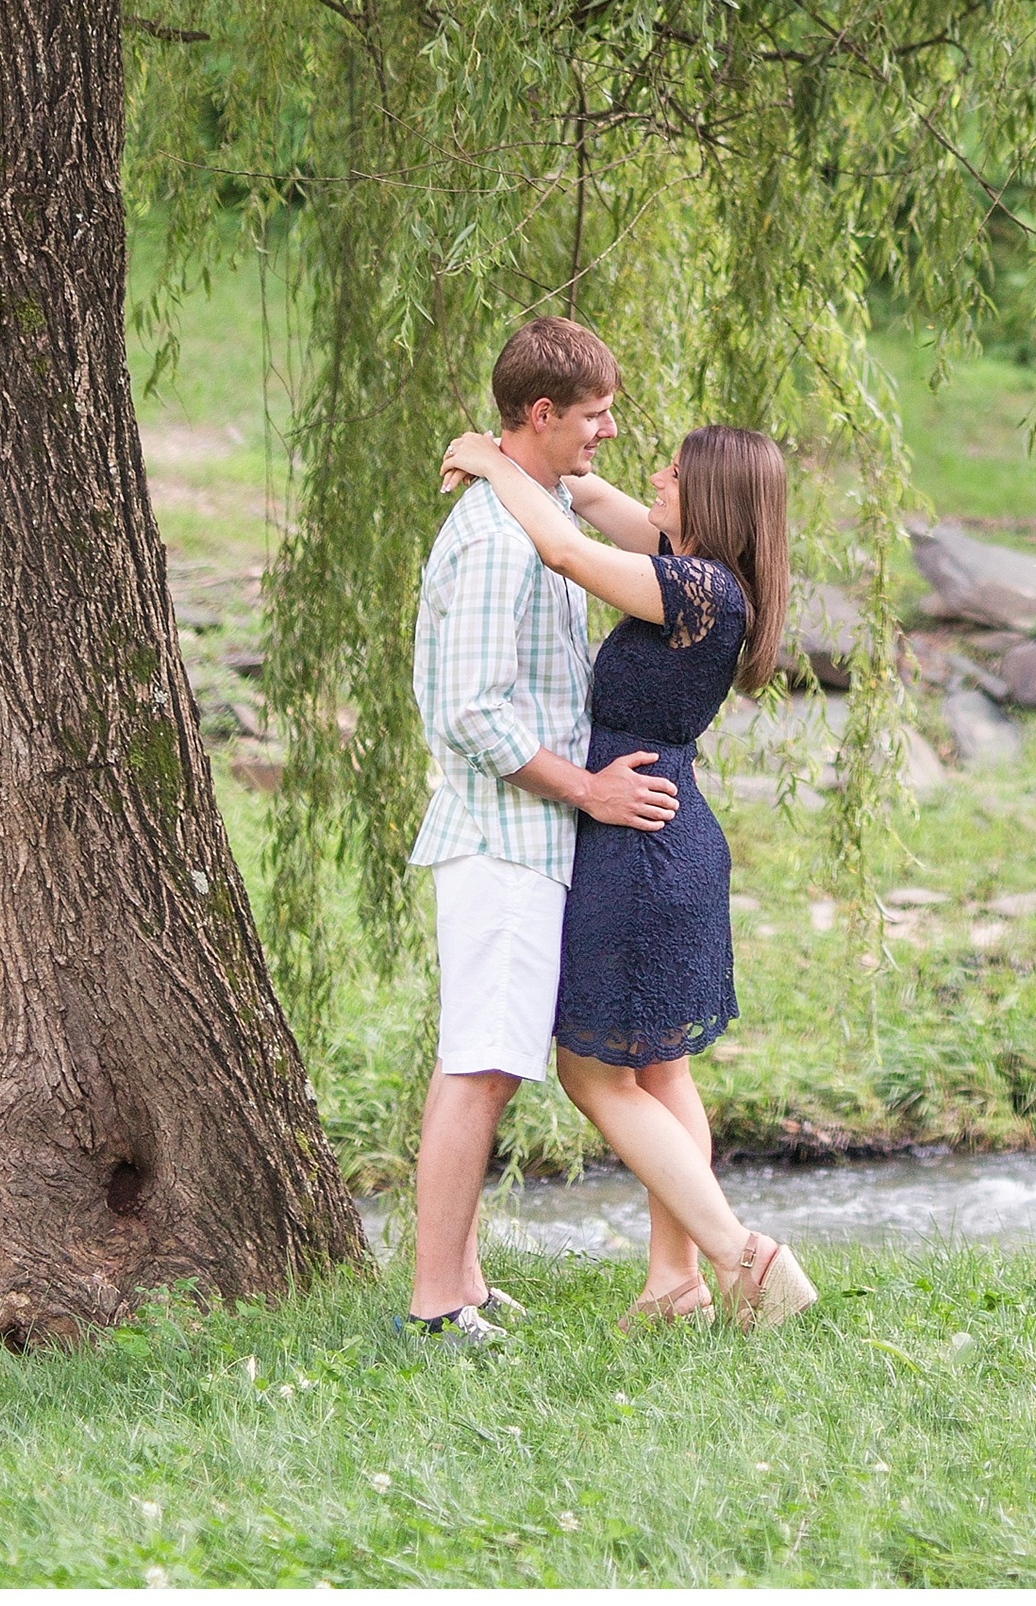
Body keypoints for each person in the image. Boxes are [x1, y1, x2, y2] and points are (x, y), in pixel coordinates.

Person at [440, 412, 818, 1330]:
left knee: (596, 1076)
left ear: (712, 496)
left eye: (676, 472)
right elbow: (592, 500)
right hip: (668, 832)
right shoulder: (699, 574)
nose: (656, 473)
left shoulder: (696, 590)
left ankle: (745, 1259)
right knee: (661, 1071)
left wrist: (491, 460)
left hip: (638, 842)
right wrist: (535, 455)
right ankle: (671, 1285)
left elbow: (567, 551)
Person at [406, 312, 676, 1344]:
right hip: (502, 840)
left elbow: (649, 540)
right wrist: (591, 790)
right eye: (596, 415)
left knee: (497, 1055)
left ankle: (461, 1275)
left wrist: (488, 456)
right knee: (479, 1061)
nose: (610, 430)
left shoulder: (538, 505)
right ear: (542, 412)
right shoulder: (490, 540)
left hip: (527, 843)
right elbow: (472, 710)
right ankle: (436, 1301)